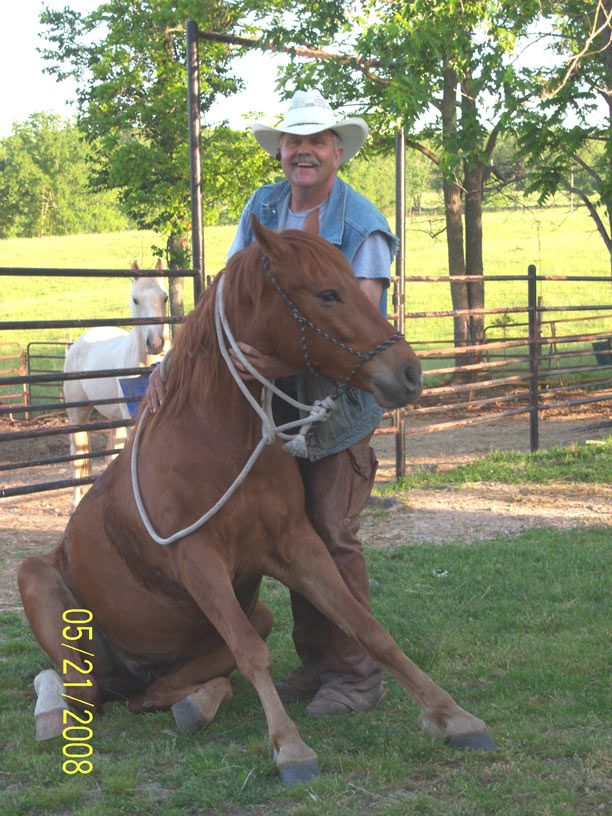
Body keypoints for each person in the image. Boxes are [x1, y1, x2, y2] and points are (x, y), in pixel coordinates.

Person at [146, 90, 399, 717]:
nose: (304, 151)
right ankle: (319, 667)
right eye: (294, 141)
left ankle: (356, 674)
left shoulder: (360, 222)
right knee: (291, 531)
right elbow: (225, 292)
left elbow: (356, 322)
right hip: (273, 402)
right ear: (281, 151)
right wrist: (175, 360)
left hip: (334, 403)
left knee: (331, 531)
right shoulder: (263, 207)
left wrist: (281, 359)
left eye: (317, 141)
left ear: (338, 152)